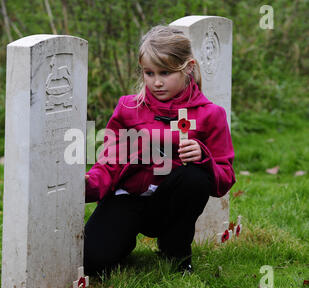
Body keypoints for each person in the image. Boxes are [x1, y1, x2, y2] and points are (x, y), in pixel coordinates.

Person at [84, 25, 235, 275]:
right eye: (149, 73)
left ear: (188, 68)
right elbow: (110, 161)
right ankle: (121, 240)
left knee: (193, 178)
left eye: (165, 73)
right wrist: (89, 184)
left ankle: (175, 251)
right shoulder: (128, 109)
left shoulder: (211, 115)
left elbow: (225, 178)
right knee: (93, 262)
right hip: (128, 199)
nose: (156, 82)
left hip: (170, 204)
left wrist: (203, 157)